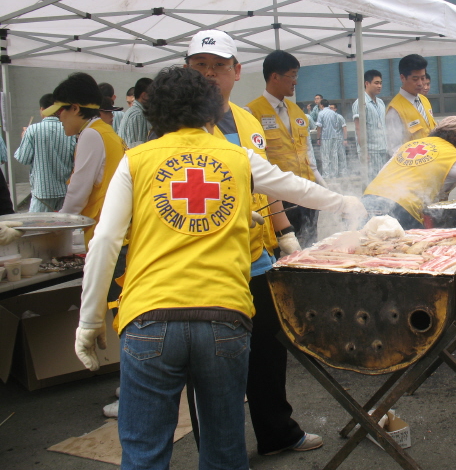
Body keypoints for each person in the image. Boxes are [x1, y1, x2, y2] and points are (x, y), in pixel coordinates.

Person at [73, 66, 366, 470]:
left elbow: (104, 241)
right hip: (223, 318)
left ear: (154, 112)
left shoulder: (135, 160)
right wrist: (344, 202)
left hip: (149, 318)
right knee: (225, 452)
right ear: (212, 111)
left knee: (143, 452)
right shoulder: (237, 156)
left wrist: (89, 322)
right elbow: (296, 187)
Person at [184, 29, 323, 457]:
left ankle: (276, 432)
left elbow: (267, 184)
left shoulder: (247, 121)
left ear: (236, 71)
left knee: (267, 350)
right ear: (187, 71)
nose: (210, 75)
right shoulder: (178, 124)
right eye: (200, 67)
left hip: (256, 257)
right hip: (206, 264)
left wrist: (285, 235)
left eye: (218, 67)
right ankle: (218, 452)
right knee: (210, 363)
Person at [246, 50, 326, 247]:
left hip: (306, 193)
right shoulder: (251, 113)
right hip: (279, 199)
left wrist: (323, 186)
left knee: (310, 248)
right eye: (292, 75)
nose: (296, 82)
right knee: (285, 250)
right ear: (275, 76)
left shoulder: (297, 111)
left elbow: (308, 153)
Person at [363, 116, 456, 229]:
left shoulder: (409, 146)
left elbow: (382, 173)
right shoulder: (454, 156)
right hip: (402, 210)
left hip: (367, 203)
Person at [44, 72, 125, 248]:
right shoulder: (104, 131)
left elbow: (78, 192)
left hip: (105, 234)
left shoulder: (91, 134)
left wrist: (57, 226)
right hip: (115, 229)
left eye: (60, 112)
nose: (60, 118)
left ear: (75, 108)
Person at [15, 93, 75, 212]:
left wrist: (24, 138)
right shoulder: (69, 129)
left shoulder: (33, 130)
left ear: (42, 109)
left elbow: (23, 158)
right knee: (62, 227)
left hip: (42, 191)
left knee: (38, 227)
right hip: (65, 190)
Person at [385, 54, 437, 153]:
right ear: (403, 78)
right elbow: (395, 149)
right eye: (415, 79)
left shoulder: (424, 100)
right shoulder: (395, 110)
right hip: (414, 165)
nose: (420, 83)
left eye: (423, 78)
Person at [352, 69, 389, 180]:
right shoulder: (361, 103)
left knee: (382, 181)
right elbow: (359, 128)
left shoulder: (381, 103)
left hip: (383, 148)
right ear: (367, 83)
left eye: (381, 83)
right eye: (376, 83)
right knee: (371, 182)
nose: (379, 86)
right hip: (370, 151)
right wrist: (364, 151)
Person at [118, 77, 153, 148]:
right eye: (153, 95)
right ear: (144, 96)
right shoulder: (137, 114)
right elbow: (136, 147)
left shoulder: (136, 112)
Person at [316, 100, 347, 179]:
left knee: (325, 155)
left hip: (325, 137)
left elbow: (319, 126)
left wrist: (318, 137)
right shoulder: (334, 113)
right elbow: (336, 125)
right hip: (335, 136)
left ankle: (326, 174)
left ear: (322, 105)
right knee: (334, 155)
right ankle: (334, 173)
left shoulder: (321, 113)